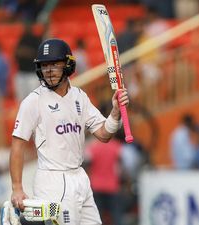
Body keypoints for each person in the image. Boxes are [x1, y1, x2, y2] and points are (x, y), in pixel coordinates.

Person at [9, 38, 129, 225]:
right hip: (53, 180)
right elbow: (17, 145)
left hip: (80, 177)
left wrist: (115, 112)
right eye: (44, 65)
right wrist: (17, 187)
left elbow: (104, 134)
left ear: (67, 65)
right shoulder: (33, 101)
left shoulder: (80, 97)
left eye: (54, 64)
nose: (48, 71)